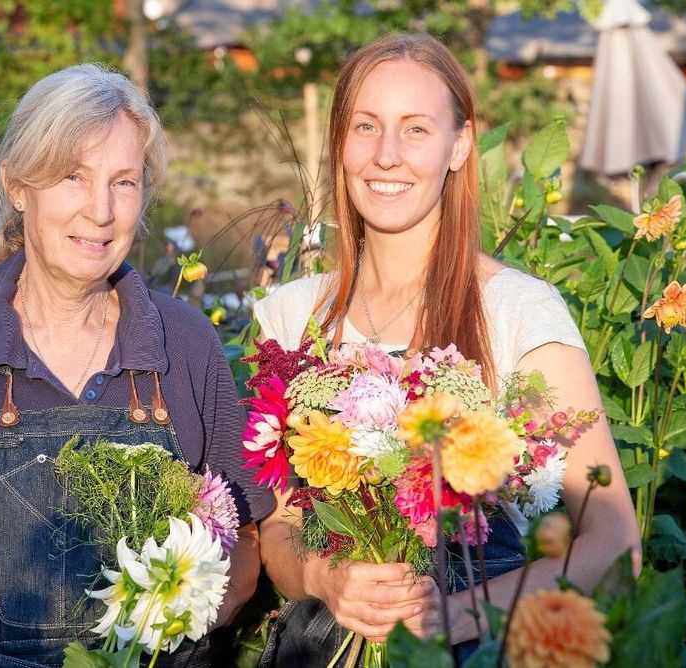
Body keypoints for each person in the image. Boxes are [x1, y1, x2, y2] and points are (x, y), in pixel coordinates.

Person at [0, 64, 274, 667]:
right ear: (16, 186)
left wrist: (182, 621)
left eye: (124, 182)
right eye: (73, 177)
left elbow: (246, 542)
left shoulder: (187, 344)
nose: (100, 211)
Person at [251, 33, 639, 665]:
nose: (384, 156)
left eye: (414, 130)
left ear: (460, 145)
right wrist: (325, 579)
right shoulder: (293, 318)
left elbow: (615, 543)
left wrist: (453, 615)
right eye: (366, 126)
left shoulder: (518, 312)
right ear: (338, 143)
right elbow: (280, 527)